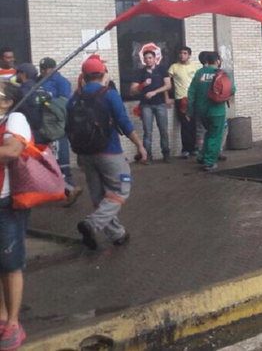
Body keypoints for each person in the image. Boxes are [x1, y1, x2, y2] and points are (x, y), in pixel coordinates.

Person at [69, 56, 148, 252]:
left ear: (84, 77)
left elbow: (67, 126)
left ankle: (117, 234)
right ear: (103, 73)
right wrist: (139, 145)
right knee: (121, 188)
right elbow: (124, 122)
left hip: (85, 154)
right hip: (109, 151)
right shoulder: (109, 94)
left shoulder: (74, 98)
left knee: (99, 196)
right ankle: (92, 224)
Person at [0, 82, 31, 349]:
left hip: (6, 202)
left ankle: (13, 322)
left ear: (7, 101)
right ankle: (1, 317)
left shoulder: (16, 119)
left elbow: (11, 151)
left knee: (11, 263)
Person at [39, 58, 81, 205]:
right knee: (50, 161)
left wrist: (47, 100)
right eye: (42, 68)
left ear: (54, 68)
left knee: (60, 159)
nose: (43, 71)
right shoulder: (40, 80)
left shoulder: (61, 82)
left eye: (46, 68)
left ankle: (70, 187)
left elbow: (64, 104)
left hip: (57, 127)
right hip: (45, 127)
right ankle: (66, 189)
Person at [187, 52, 235, 172]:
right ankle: (209, 162)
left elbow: (191, 92)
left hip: (201, 111)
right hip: (217, 111)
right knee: (215, 136)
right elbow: (232, 90)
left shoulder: (199, 73)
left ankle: (202, 155)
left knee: (208, 133)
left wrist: (189, 111)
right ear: (218, 61)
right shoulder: (224, 74)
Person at [130, 50, 171, 164]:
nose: (148, 60)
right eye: (146, 58)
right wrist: (143, 85)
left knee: (163, 130)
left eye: (150, 58)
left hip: (160, 103)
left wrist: (155, 92)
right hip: (146, 105)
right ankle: (147, 156)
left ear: (154, 58)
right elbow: (132, 90)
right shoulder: (140, 72)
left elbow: (168, 85)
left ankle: (166, 154)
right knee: (147, 131)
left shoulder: (161, 69)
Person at [168, 47, 200, 160]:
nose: (182, 55)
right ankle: (185, 149)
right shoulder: (174, 67)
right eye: (180, 53)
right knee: (184, 124)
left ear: (189, 55)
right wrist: (167, 96)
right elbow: (166, 82)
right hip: (181, 98)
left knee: (193, 124)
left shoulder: (195, 67)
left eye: (185, 53)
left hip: (193, 99)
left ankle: (194, 147)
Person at [12, 65, 41, 137]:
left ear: (23, 75)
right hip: (41, 129)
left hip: (28, 130)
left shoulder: (21, 92)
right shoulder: (40, 87)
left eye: (17, 73)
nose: (16, 75)